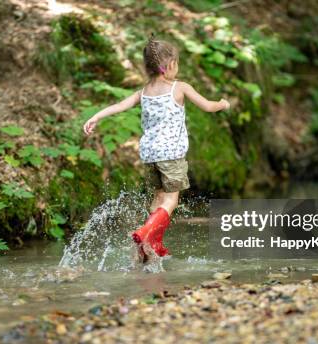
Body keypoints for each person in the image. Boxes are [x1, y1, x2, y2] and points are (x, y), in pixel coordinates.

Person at [83, 35, 230, 261]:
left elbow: (120, 105)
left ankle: (151, 247)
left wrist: (96, 116)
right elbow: (208, 106)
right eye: (177, 64)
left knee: (158, 199)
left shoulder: (143, 92)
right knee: (171, 201)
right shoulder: (179, 88)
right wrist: (223, 103)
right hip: (171, 154)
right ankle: (146, 233)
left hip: (150, 154)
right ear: (169, 66)